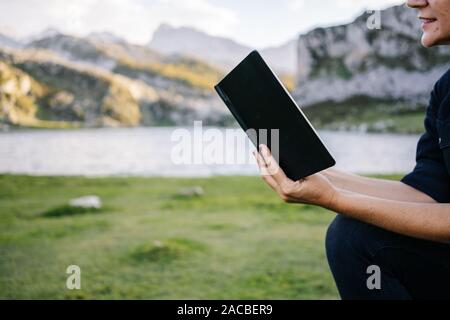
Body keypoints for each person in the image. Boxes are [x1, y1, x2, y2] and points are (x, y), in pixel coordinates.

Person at [253, 0, 450, 300]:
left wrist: (334, 197)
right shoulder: (445, 89)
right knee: (352, 235)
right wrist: (322, 174)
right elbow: (428, 195)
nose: (413, 2)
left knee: (352, 235)